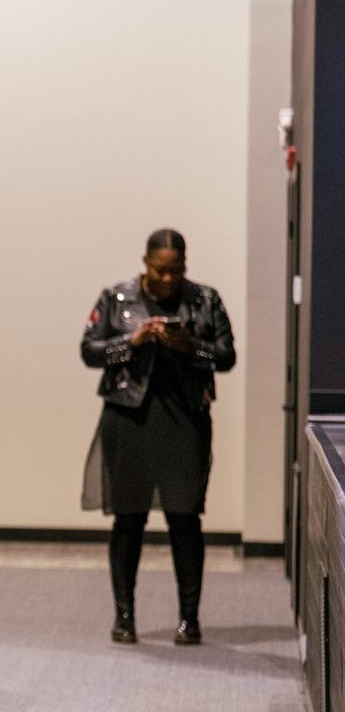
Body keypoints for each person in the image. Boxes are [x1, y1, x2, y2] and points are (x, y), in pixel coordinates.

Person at [80, 229, 236, 645]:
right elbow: (89, 351)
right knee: (128, 518)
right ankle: (124, 616)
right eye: (160, 270)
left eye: (177, 270)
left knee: (185, 517)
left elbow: (226, 357)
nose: (169, 279)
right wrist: (130, 342)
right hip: (128, 418)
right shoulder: (116, 298)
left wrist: (191, 346)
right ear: (145, 263)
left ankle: (189, 618)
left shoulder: (205, 299)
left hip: (184, 420)